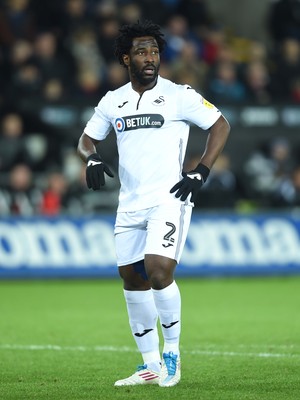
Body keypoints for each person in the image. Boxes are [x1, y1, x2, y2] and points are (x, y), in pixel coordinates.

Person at [77, 20, 230, 387]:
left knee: (158, 271)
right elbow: (86, 140)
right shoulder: (113, 101)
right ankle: (149, 365)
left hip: (169, 198)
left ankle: (172, 354)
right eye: (142, 52)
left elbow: (220, 124)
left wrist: (201, 170)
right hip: (129, 203)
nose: (150, 58)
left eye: (155, 51)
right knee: (132, 279)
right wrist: (92, 157)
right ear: (126, 58)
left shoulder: (179, 94)